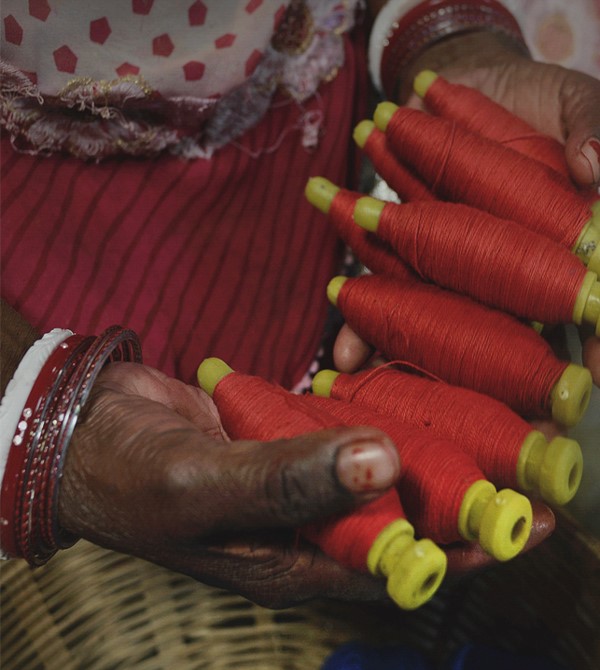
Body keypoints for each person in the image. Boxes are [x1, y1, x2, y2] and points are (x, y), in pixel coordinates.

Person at [1, 0, 599, 609]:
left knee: (288, 399)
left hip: (287, 159)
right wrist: (43, 419)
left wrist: (446, 39)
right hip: (52, 236)